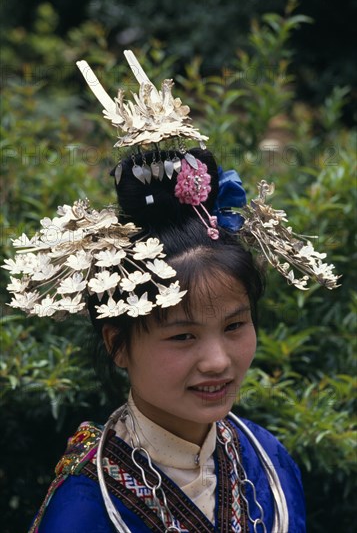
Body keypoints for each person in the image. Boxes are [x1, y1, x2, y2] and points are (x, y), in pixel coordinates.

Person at [4, 51, 339, 532]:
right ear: (118, 344)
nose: (218, 361)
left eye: (234, 326)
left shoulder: (267, 459)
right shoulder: (84, 512)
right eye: (182, 336)